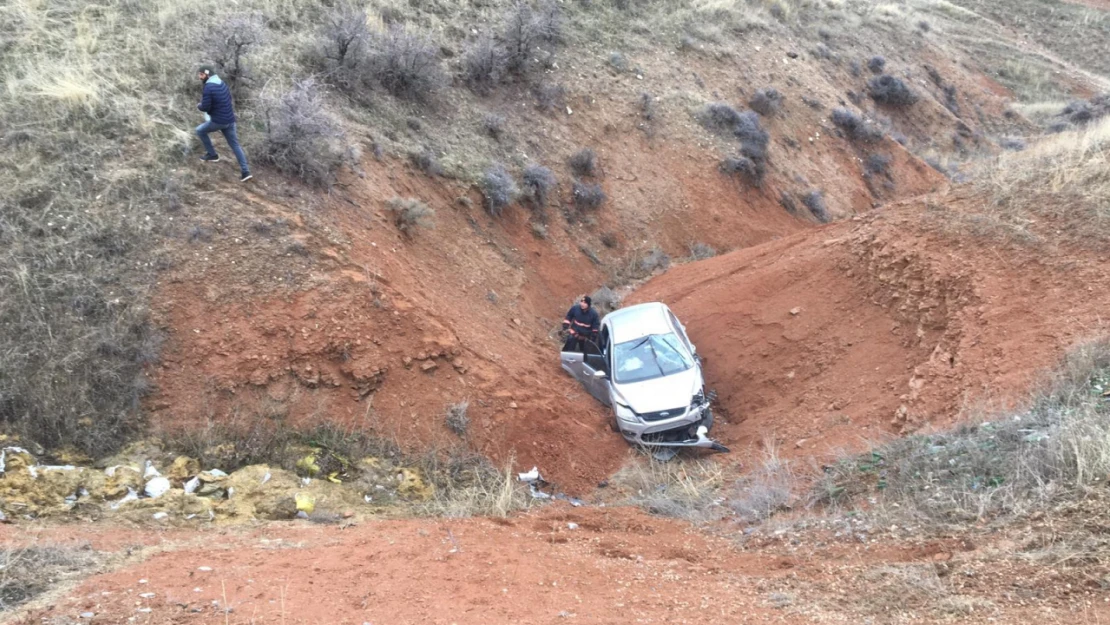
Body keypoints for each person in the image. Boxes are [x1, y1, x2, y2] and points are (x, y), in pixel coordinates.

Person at [195, 66, 252, 182]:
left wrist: (199, 106)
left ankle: (212, 155)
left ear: (207, 75)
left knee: (199, 130)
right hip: (230, 121)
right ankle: (246, 172)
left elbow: (205, 106)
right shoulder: (222, 83)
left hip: (219, 121)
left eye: (201, 75)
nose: (199, 77)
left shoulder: (208, 87)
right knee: (235, 145)